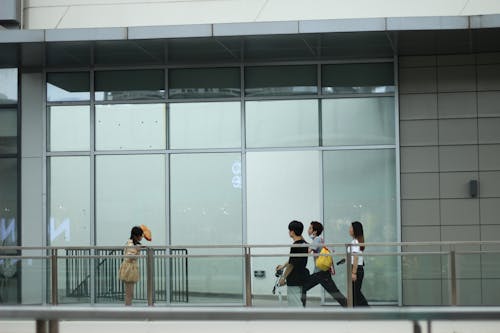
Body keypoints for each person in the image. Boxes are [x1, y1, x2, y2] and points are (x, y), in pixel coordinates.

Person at [301, 221, 347, 307]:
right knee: (335, 293)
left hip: (321, 273)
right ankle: (349, 307)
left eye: (310, 228)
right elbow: (310, 246)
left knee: (303, 287)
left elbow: (308, 251)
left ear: (315, 231)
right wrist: (301, 238)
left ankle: (301, 309)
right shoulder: (317, 240)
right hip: (321, 273)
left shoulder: (317, 239)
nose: (308, 230)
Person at [276, 220, 309, 307]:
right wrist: (283, 266)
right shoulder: (304, 244)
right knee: (300, 302)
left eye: (289, 230)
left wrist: (283, 278)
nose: (288, 232)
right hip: (302, 276)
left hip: (294, 278)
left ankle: (299, 320)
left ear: (292, 232)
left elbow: (291, 264)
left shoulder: (295, 246)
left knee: (295, 304)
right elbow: (293, 259)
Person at [119, 226, 144, 306]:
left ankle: (128, 308)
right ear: (136, 236)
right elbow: (130, 256)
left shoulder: (131, 243)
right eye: (140, 235)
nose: (141, 237)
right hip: (129, 270)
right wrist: (137, 250)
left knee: (130, 292)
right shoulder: (131, 244)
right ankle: (128, 309)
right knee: (129, 293)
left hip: (129, 269)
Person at [349, 221, 369, 306]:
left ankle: (367, 309)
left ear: (355, 230)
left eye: (351, 228)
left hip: (356, 269)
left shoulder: (355, 242)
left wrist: (353, 272)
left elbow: (356, 257)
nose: (349, 229)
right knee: (355, 293)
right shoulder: (356, 241)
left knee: (355, 293)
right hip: (357, 268)